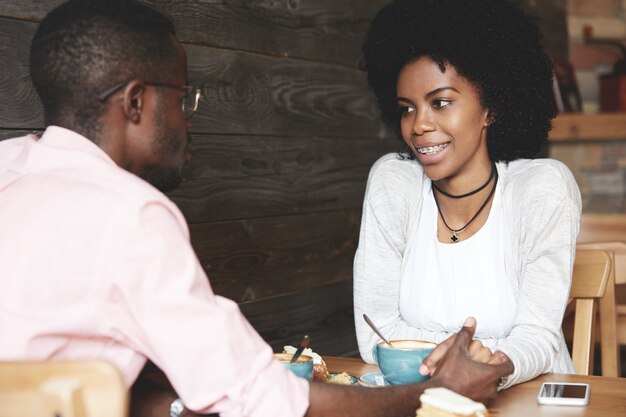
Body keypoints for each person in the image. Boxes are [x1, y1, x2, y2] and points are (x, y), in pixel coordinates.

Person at [0, 1, 510, 416]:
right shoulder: (131, 214)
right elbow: (267, 400)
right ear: (135, 103)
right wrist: (442, 392)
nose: (188, 121)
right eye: (182, 99)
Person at [354, 0, 581, 390]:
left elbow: (539, 337)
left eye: (440, 102)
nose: (419, 125)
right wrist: (463, 361)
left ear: (491, 106)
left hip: (528, 400)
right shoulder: (394, 183)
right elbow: (375, 334)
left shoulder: (541, 189)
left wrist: (495, 363)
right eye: (407, 109)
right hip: (421, 401)